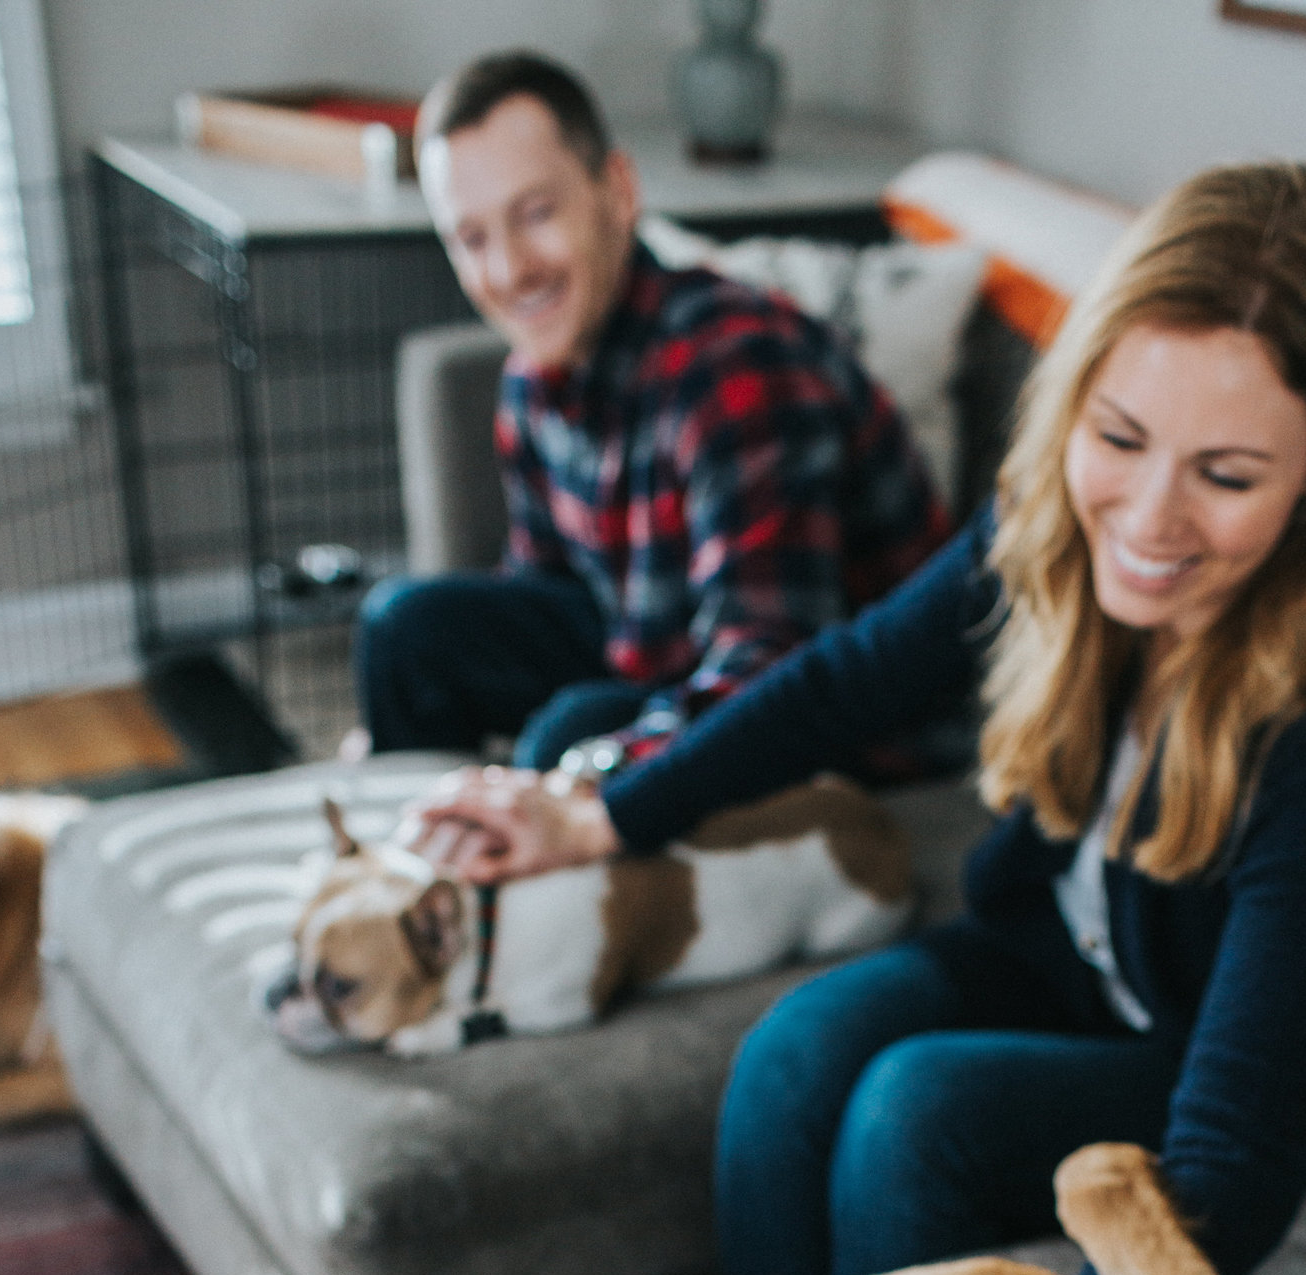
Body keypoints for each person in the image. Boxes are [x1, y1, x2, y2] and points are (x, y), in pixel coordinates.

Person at [412, 160, 1306, 1275]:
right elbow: (845, 677)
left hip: (1301, 1075)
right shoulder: (1054, 525)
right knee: (795, 1049)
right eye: (1119, 438)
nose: (1148, 521)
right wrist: (598, 814)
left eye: (1225, 474)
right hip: (1079, 966)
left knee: (912, 1114)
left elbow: (1239, 1150)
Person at [356, 50, 948, 776]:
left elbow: (774, 670)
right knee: (403, 630)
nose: (508, 271)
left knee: (565, 740)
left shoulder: (738, 370)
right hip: (660, 656)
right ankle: (419, 863)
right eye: (472, 238)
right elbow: (544, 589)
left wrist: (592, 764)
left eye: (536, 214)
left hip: (840, 725)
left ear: (618, 190)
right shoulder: (535, 379)